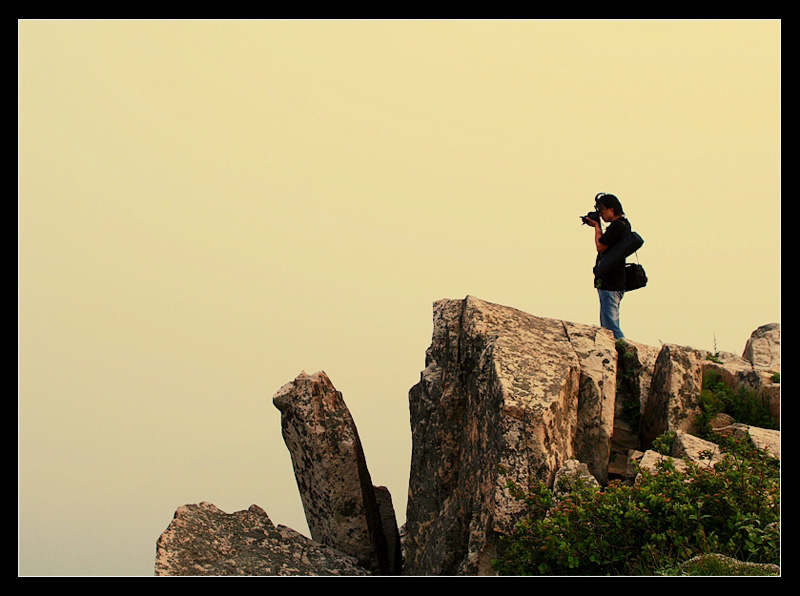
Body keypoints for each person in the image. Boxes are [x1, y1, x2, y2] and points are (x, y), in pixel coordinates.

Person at [586, 193, 630, 339]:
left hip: (611, 282)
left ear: (611, 209)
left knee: (610, 326)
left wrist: (596, 227)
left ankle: (624, 351)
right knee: (610, 322)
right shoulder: (624, 224)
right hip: (616, 280)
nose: (602, 214)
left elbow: (601, 246)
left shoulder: (617, 226)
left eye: (602, 211)